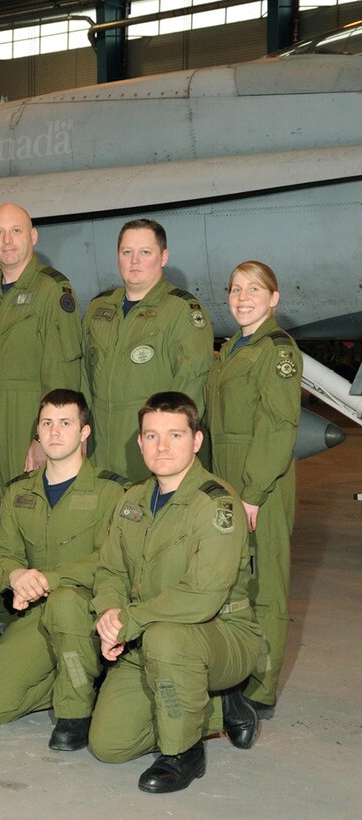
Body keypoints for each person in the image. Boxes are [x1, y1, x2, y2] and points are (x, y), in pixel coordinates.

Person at [89, 392, 263, 793]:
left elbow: (202, 596)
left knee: (167, 638)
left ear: (196, 441)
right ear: (139, 442)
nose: (161, 447)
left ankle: (184, 752)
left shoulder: (216, 504)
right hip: (147, 636)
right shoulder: (132, 500)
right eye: (151, 436)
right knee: (108, 745)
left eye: (174, 435)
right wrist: (111, 613)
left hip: (221, 634)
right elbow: (110, 569)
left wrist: (129, 621)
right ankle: (214, 707)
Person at [0, 389, 127, 750]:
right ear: (38, 433)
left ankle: (75, 712)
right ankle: (82, 680)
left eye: (65, 423)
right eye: (47, 423)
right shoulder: (18, 492)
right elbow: (2, 553)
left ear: (84, 432)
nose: (55, 432)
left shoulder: (112, 492)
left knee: (64, 603)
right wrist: (14, 576)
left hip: (88, 614)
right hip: (36, 616)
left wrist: (48, 579)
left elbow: (110, 561)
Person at [203, 261, 302, 718]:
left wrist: (254, 494)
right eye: (236, 289)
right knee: (236, 582)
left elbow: (279, 426)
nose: (243, 297)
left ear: (274, 298)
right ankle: (236, 673)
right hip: (229, 478)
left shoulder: (278, 351)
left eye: (254, 289)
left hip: (262, 484)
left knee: (267, 586)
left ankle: (261, 689)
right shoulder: (233, 349)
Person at [81, 219, 213, 481]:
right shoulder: (99, 309)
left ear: (163, 257)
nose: (134, 261)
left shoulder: (181, 312)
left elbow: (190, 391)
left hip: (152, 457)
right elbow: (83, 379)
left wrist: (167, 453)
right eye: (127, 252)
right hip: (99, 454)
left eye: (145, 252)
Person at [0, 204, 82, 500]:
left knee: (29, 505)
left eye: (16, 231)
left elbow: (63, 373)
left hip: (28, 421)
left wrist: (43, 438)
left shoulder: (51, 290)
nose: (7, 240)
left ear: (33, 236)